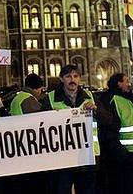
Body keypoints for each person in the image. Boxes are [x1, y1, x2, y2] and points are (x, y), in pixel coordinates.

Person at [41, 65, 98, 194]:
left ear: (79, 79)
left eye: (75, 76)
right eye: (68, 76)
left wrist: (96, 110)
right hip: (62, 158)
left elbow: (107, 120)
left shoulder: (89, 96)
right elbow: (41, 126)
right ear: (61, 79)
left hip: (87, 156)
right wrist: (50, 117)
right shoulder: (50, 98)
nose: (72, 80)